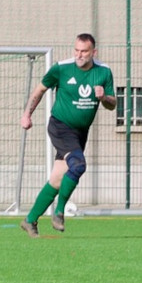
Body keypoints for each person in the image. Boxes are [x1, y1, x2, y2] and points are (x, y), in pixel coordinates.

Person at [19, 33, 116, 237]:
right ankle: (60, 211)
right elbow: (40, 90)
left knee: (57, 179)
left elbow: (112, 104)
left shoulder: (104, 72)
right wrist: (27, 114)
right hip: (60, 126)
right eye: (77, 50)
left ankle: (30, 220)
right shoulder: (61, 68)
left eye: (84, 51)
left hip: (80, 132)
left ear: (93, 52)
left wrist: (104, 97)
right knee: (78, 165)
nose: (79, 55)